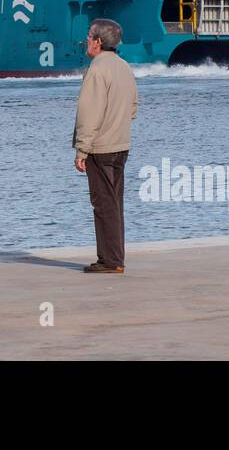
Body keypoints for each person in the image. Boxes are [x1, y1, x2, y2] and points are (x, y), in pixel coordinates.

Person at [73, 18, 137, 274]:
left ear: (98, 42)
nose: (86, 41)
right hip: (121, 145)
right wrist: (116, 123)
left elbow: (89, 114)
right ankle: (114, 257)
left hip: (100, 148)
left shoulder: (96, 69)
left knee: (103, 204)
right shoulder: (124, 67)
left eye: (89, 36)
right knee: (115, 203)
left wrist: (82, 150)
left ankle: (110, 261)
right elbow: (132, 108)